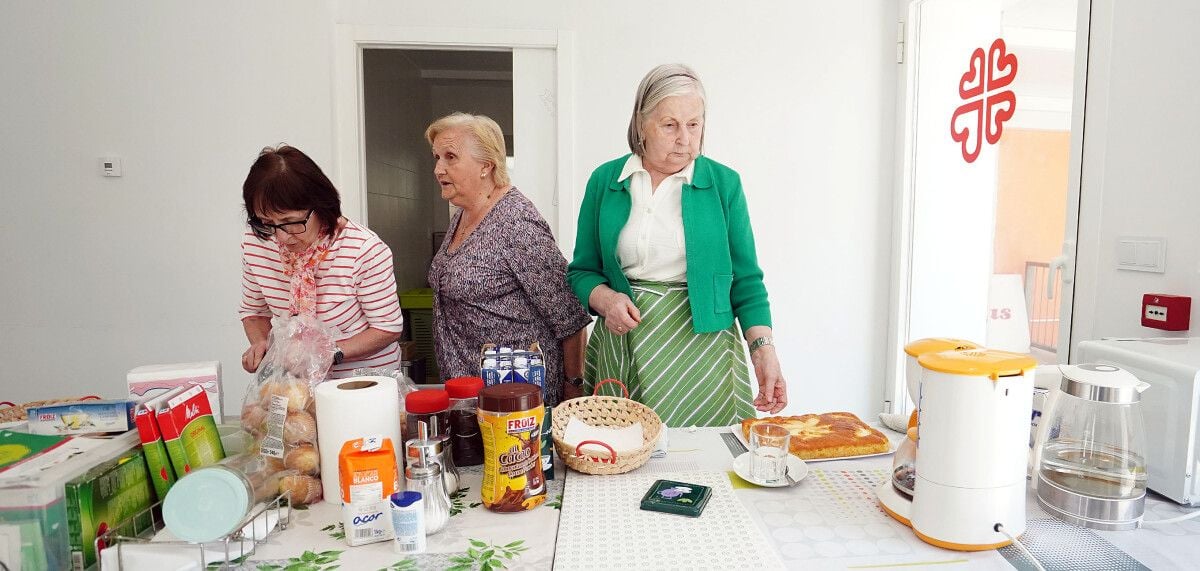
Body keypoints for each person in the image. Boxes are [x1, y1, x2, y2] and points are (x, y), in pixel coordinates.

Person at [567, 64, 787, 427]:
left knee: (709, 463)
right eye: (669, 125)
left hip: (704, 354)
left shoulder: (724, 184)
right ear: (641, 124)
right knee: (625, 455)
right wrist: (605, 299)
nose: (684, 138)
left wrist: (763, 351)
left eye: (694, 124)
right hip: (626, 345)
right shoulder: (605, 181)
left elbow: (746, 279)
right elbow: (582, 271)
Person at [426, 113, 591, 407]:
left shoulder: (516, 223)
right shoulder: (464, 213)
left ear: (486, 166)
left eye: (451, 157)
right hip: (474, 393)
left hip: (518, 399)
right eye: (437, 157)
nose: (439, 168)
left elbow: (571, 318)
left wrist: (573, 391)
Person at [239, 145, 403, 378]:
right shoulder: (257, 241)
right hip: (295, 381)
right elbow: (254, 311)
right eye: (267, 222)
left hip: (362, 382)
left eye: (291, 221)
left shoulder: (363, 249)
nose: (282, 237)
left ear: (321, 205)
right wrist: (261, 344)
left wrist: (327, 353)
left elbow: (387, 329)